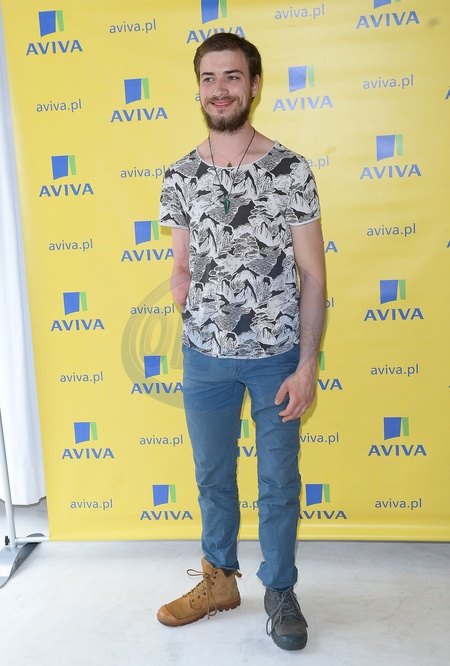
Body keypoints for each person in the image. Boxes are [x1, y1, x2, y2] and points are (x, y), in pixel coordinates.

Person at [157, 33, 325, 652]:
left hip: (277, 358)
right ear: (199, 88)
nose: (220, 89)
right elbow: (181, 265)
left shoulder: (290, 170)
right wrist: (192, 299)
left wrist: (306, 366)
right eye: (209, 78)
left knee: (278, 482)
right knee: (212, 477)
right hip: (204, 361)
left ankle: (279, 590)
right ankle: (219, 580)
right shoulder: (180, 175)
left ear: (254, 85)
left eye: (232, 77)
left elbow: (314, 275)